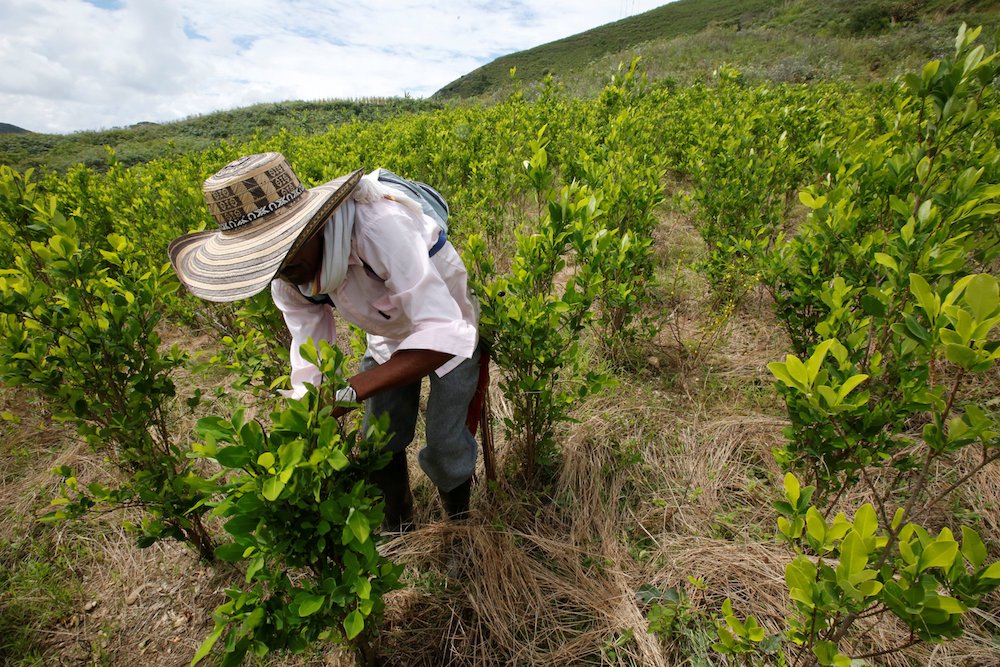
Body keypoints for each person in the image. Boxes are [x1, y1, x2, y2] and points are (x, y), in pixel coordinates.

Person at [168, 152, 481, 530]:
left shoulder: (379, 227)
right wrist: (306, 420)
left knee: (447, 443)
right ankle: (398, 528)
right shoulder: (288, 277)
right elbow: (309, 359)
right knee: (379, 443)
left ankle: (460, 526)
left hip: (449, 323)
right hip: (387, 335)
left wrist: (347, 394)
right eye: (268, 259)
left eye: (285, 250)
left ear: (315, 225)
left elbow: (443, 335)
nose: (281, 270)